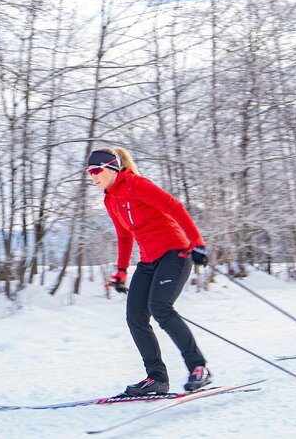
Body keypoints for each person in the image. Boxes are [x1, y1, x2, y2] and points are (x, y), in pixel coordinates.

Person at [87, 147, 211, 394]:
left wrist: (197, 243)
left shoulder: (136, 184)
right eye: (89, 173)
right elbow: (124, 236)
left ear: (112, 168)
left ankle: (199, 367)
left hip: (175, 253)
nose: (93, 176)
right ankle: (157, 378)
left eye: (96, 170)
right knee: (135, 316)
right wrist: (120, 271)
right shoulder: (110, 199)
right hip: (148, 260)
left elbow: (174, 207)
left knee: (160, 307)